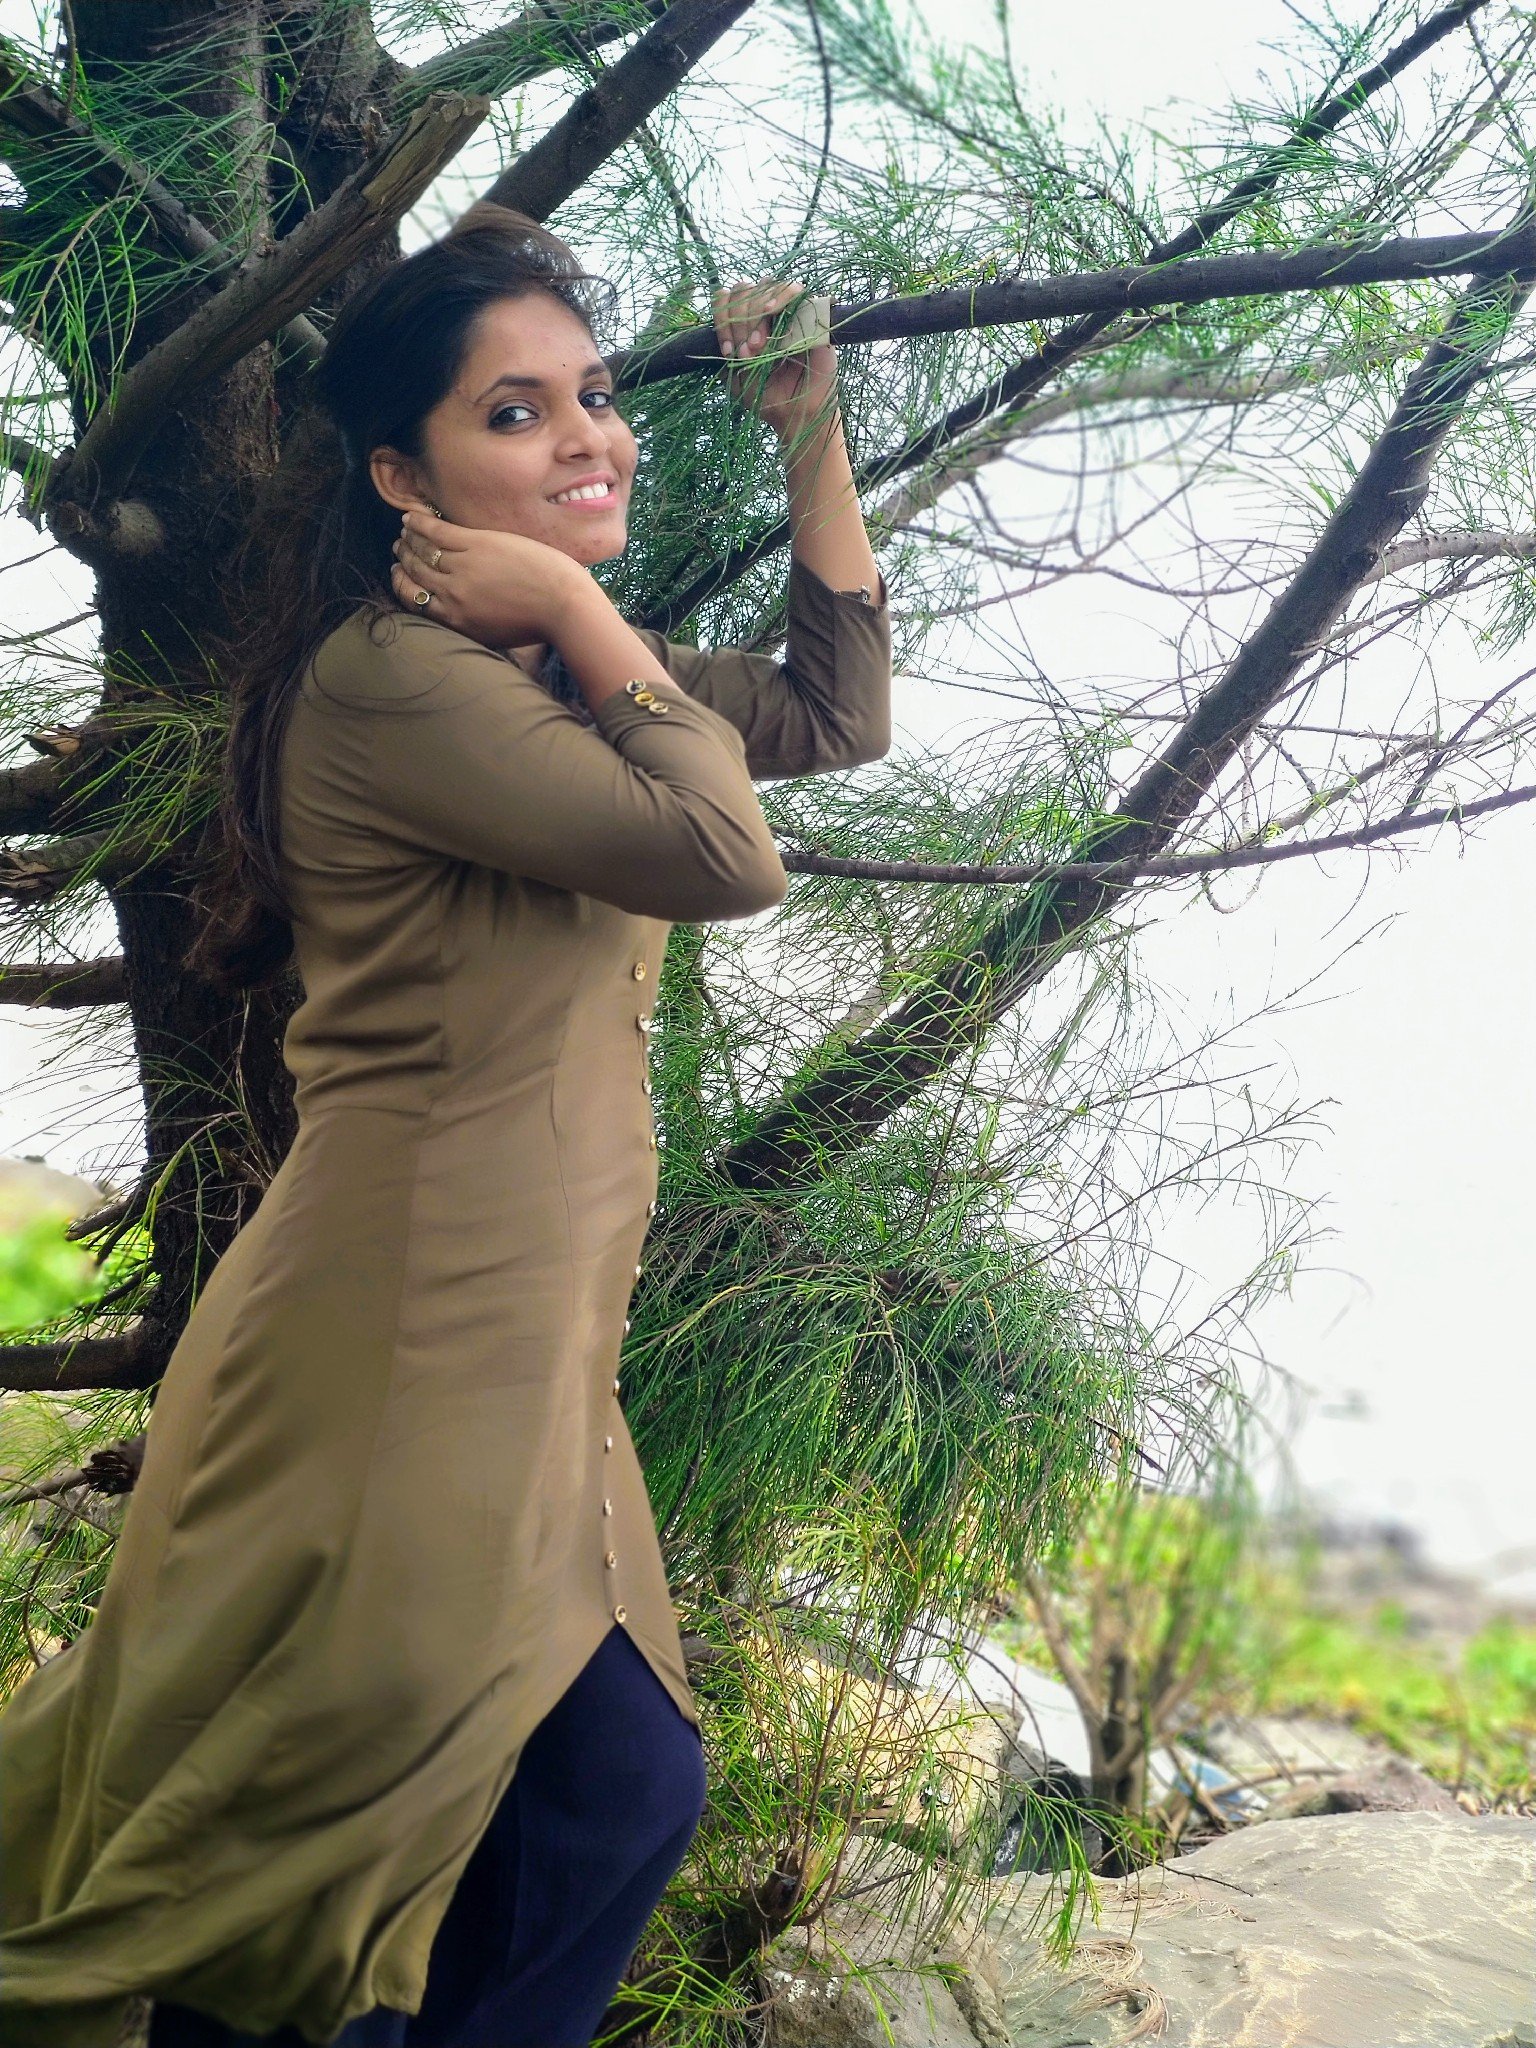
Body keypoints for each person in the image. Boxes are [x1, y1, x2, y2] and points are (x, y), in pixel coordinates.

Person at [0, 203, 891, 2048]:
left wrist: (808, 431)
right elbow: (727, 854)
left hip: (529, 1345)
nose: (586, 437)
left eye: (593, 395)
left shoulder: (546, 678)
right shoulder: (399, 680)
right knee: (322, 1826)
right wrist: (580, 609)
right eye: (515, 411)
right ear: (401, 478)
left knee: (597, 1799)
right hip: (403, 1337)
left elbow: (834, 710)